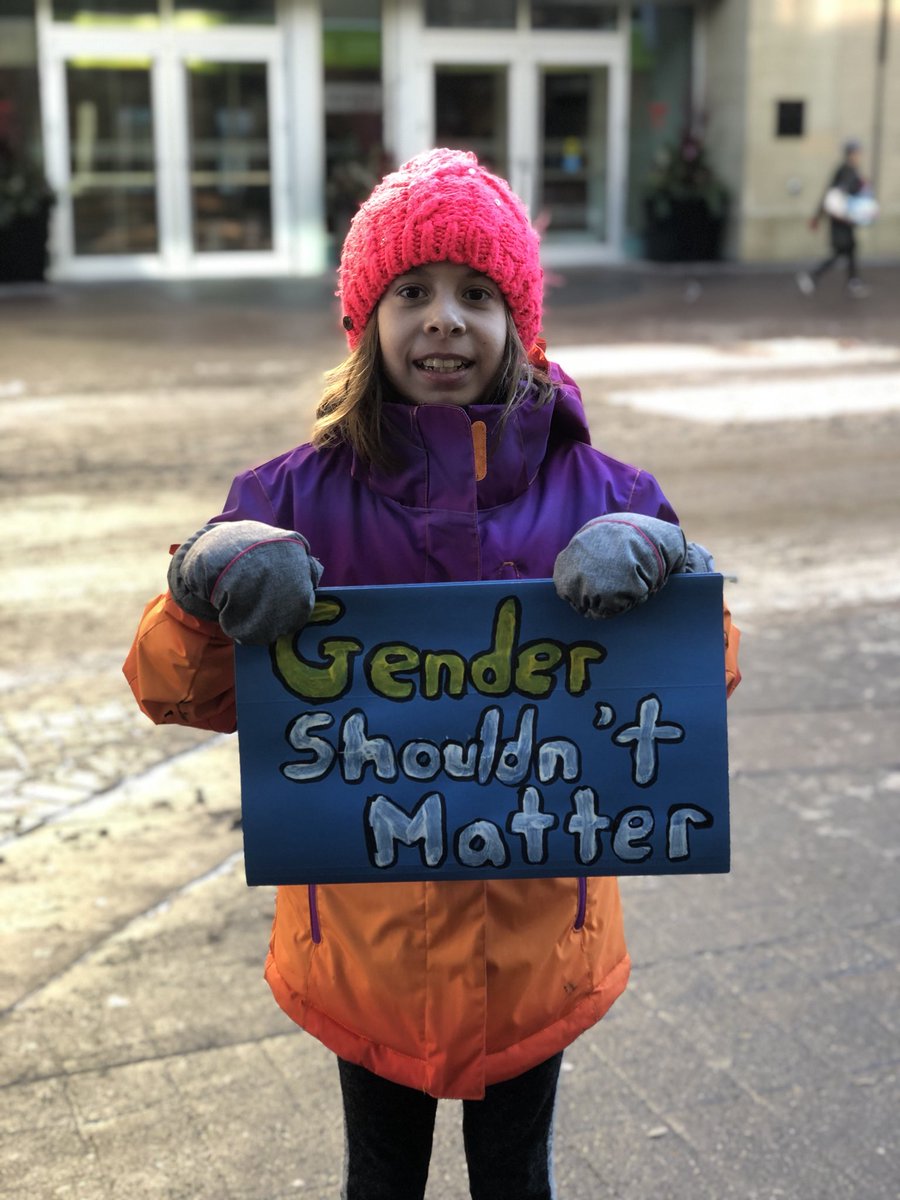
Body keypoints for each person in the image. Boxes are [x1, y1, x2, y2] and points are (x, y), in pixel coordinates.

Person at [123, 148, 741, 1200]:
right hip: (362, 948)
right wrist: (197, 590)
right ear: (366, 321)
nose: (444, 320)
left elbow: (694, 687)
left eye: (476, 293)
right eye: (412, 292)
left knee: (515, 1177)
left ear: (521, 320)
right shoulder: (290, 497)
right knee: (381, 1179)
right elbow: (174, 690)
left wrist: (676, 572)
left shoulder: (605, 489)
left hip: (539, 938)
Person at [797, 138, 870, 298]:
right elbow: (833, 194)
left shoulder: (852, 170)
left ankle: (853, 281)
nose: (859, 156)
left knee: (850, 248)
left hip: (847, 219)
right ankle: (813, 276)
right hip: (840, 220)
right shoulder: (844, 170)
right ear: (850, 154)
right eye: (856, 153)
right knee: (840, 250)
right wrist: (817, 216)